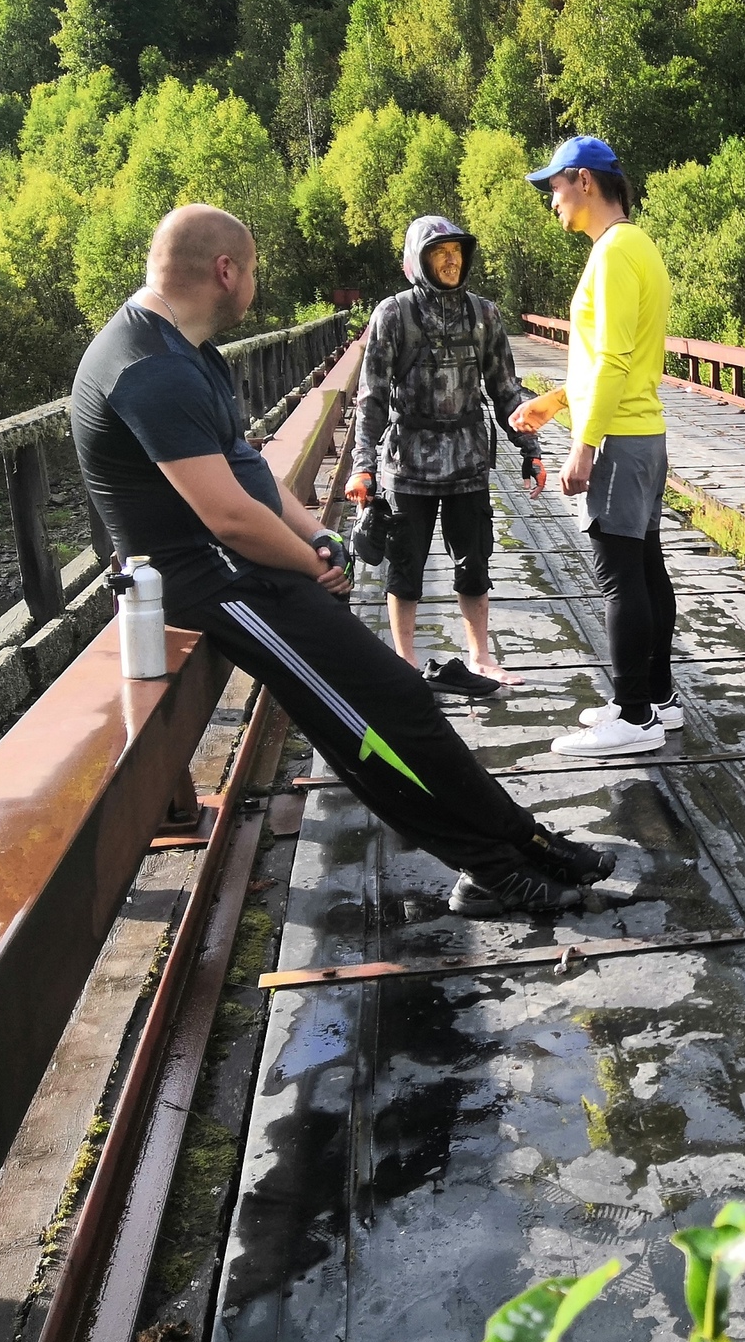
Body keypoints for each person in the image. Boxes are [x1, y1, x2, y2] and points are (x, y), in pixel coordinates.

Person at [71, 204, 612, 917]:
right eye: (255, 269)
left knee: (403, 702)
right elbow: (226, 515)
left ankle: (523, 841)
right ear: (224, 271)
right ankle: (491, 869)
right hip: (212, 585)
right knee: (363, 728)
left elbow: (249, 472)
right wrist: (302, 557)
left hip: (244, 571)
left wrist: (317, 544)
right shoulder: (147, 368)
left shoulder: (184, 351)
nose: (255, 283)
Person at [518, 136, 680, 757]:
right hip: (642, 431)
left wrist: (583, 446)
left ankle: (634, 717)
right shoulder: (634, 246)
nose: (551, 200)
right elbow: (614, 359)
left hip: (620, 438)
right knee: (643, 566)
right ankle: (656, 700)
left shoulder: (613, 254)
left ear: (584, 181)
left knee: (620, 577)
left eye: (554, 186)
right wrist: (555, 402)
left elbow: (613, 358)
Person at [346, 216, 545, 696]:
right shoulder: (393, 315)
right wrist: (362, 465)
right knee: (405, 566)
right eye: (440, 251)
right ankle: (405, 663)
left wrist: (530, 448)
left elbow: (505, 390)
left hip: (468, 461)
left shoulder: (484, 315)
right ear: (418, 263)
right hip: (407, 465)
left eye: (456, 249)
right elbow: (371, 396)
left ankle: (481, 657)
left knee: (474, 562)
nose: (452, 258)